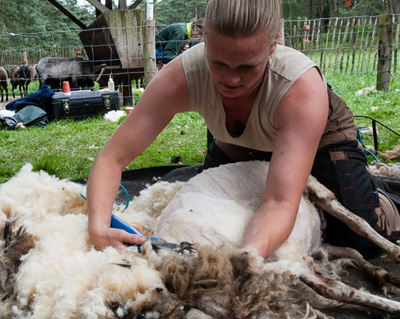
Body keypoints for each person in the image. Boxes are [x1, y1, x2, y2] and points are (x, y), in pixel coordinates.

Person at [87, 0, 400, 259]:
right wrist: (98, 224)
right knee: (205, 214)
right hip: (238, 141)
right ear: (204, 40)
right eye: (219, 63)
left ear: (273, 46)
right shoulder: (181, 76)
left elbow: (278, 201)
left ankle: (377, 196)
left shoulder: (299, 89)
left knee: (358, 237)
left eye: (247, 67)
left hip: (320, 139)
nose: (230, 80)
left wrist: (248, 256)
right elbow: (112, 158)